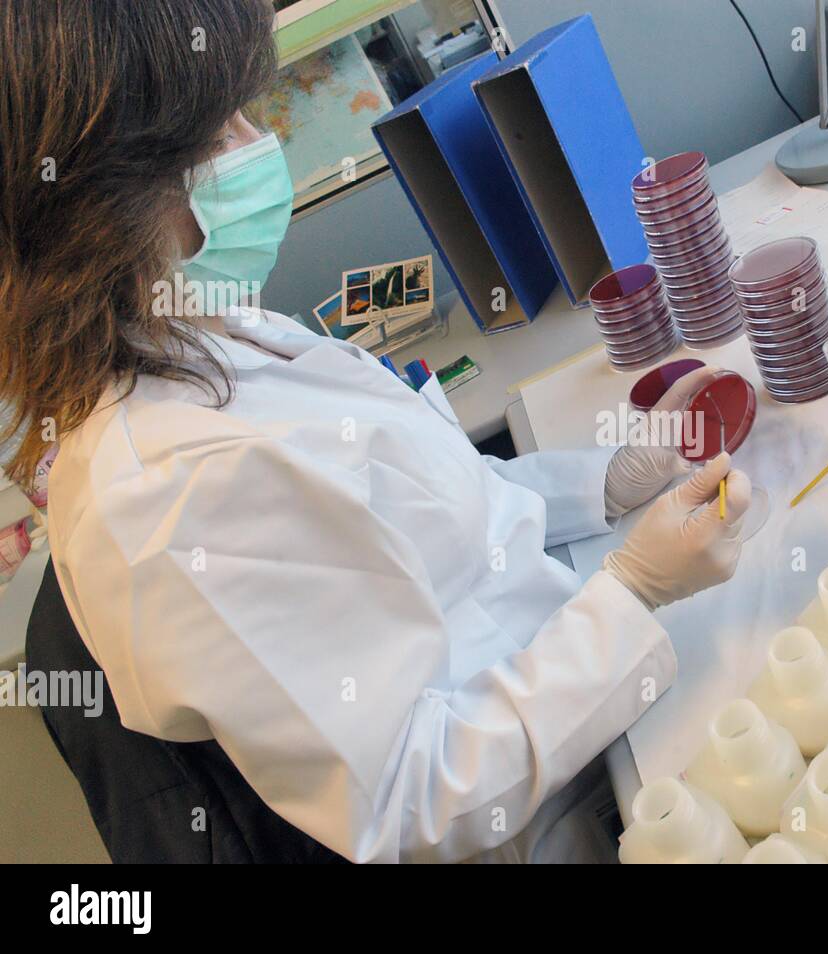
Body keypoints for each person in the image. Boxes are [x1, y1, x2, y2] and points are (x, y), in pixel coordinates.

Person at [0, 0, 749, 862]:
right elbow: (408, 799)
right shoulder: (167, 495)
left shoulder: (202, 332)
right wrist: (636, 592)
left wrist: (605, 481)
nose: (256, 144)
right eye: (220, 131)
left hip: (572, 673)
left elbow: (426, 513)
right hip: (555, 807)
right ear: (110, 201)